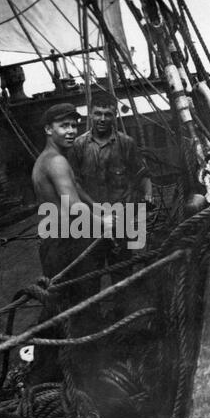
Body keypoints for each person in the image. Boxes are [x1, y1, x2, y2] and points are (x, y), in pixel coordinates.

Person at [31, 102, 114, 384]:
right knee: (82, 308)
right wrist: (107, 224)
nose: (71, 131)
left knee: (59, 308)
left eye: (74, 125)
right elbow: (73, 208)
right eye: (63, 126)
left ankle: (44, 372)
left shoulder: (51, 158)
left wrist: (101, 210)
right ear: (48, 129)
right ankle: (87, 379)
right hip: (67, 245)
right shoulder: (56, 162)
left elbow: (77, 190)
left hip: (57, 240)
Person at [68, 93, 152, 317]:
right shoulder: (78, 146)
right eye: (97, 113)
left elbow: (142, 174)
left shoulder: (126, 143)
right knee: (90, 272)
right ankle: (93, 316)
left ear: (115, 115)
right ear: (90, 113)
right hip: (92, 220)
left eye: (107, 114)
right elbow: (74, 183)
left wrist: (148, 195)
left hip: (121, 218)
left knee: (121, 269)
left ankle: (122, 315)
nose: (102, 119)